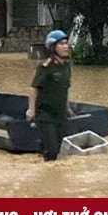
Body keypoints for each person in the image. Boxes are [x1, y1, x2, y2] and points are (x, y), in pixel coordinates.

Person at [26, 30, 74, 161]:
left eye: (66, 43)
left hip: (60, 115)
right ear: (53, 47)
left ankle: (39, 163)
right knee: (52, 152)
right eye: (61, 44)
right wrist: (31, 110)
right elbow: (34, 88)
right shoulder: (46, 67)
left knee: (56, 149)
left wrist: (67, 108)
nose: (66, 47)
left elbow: (63, 89)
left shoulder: (67, 67)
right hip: (46, 115)